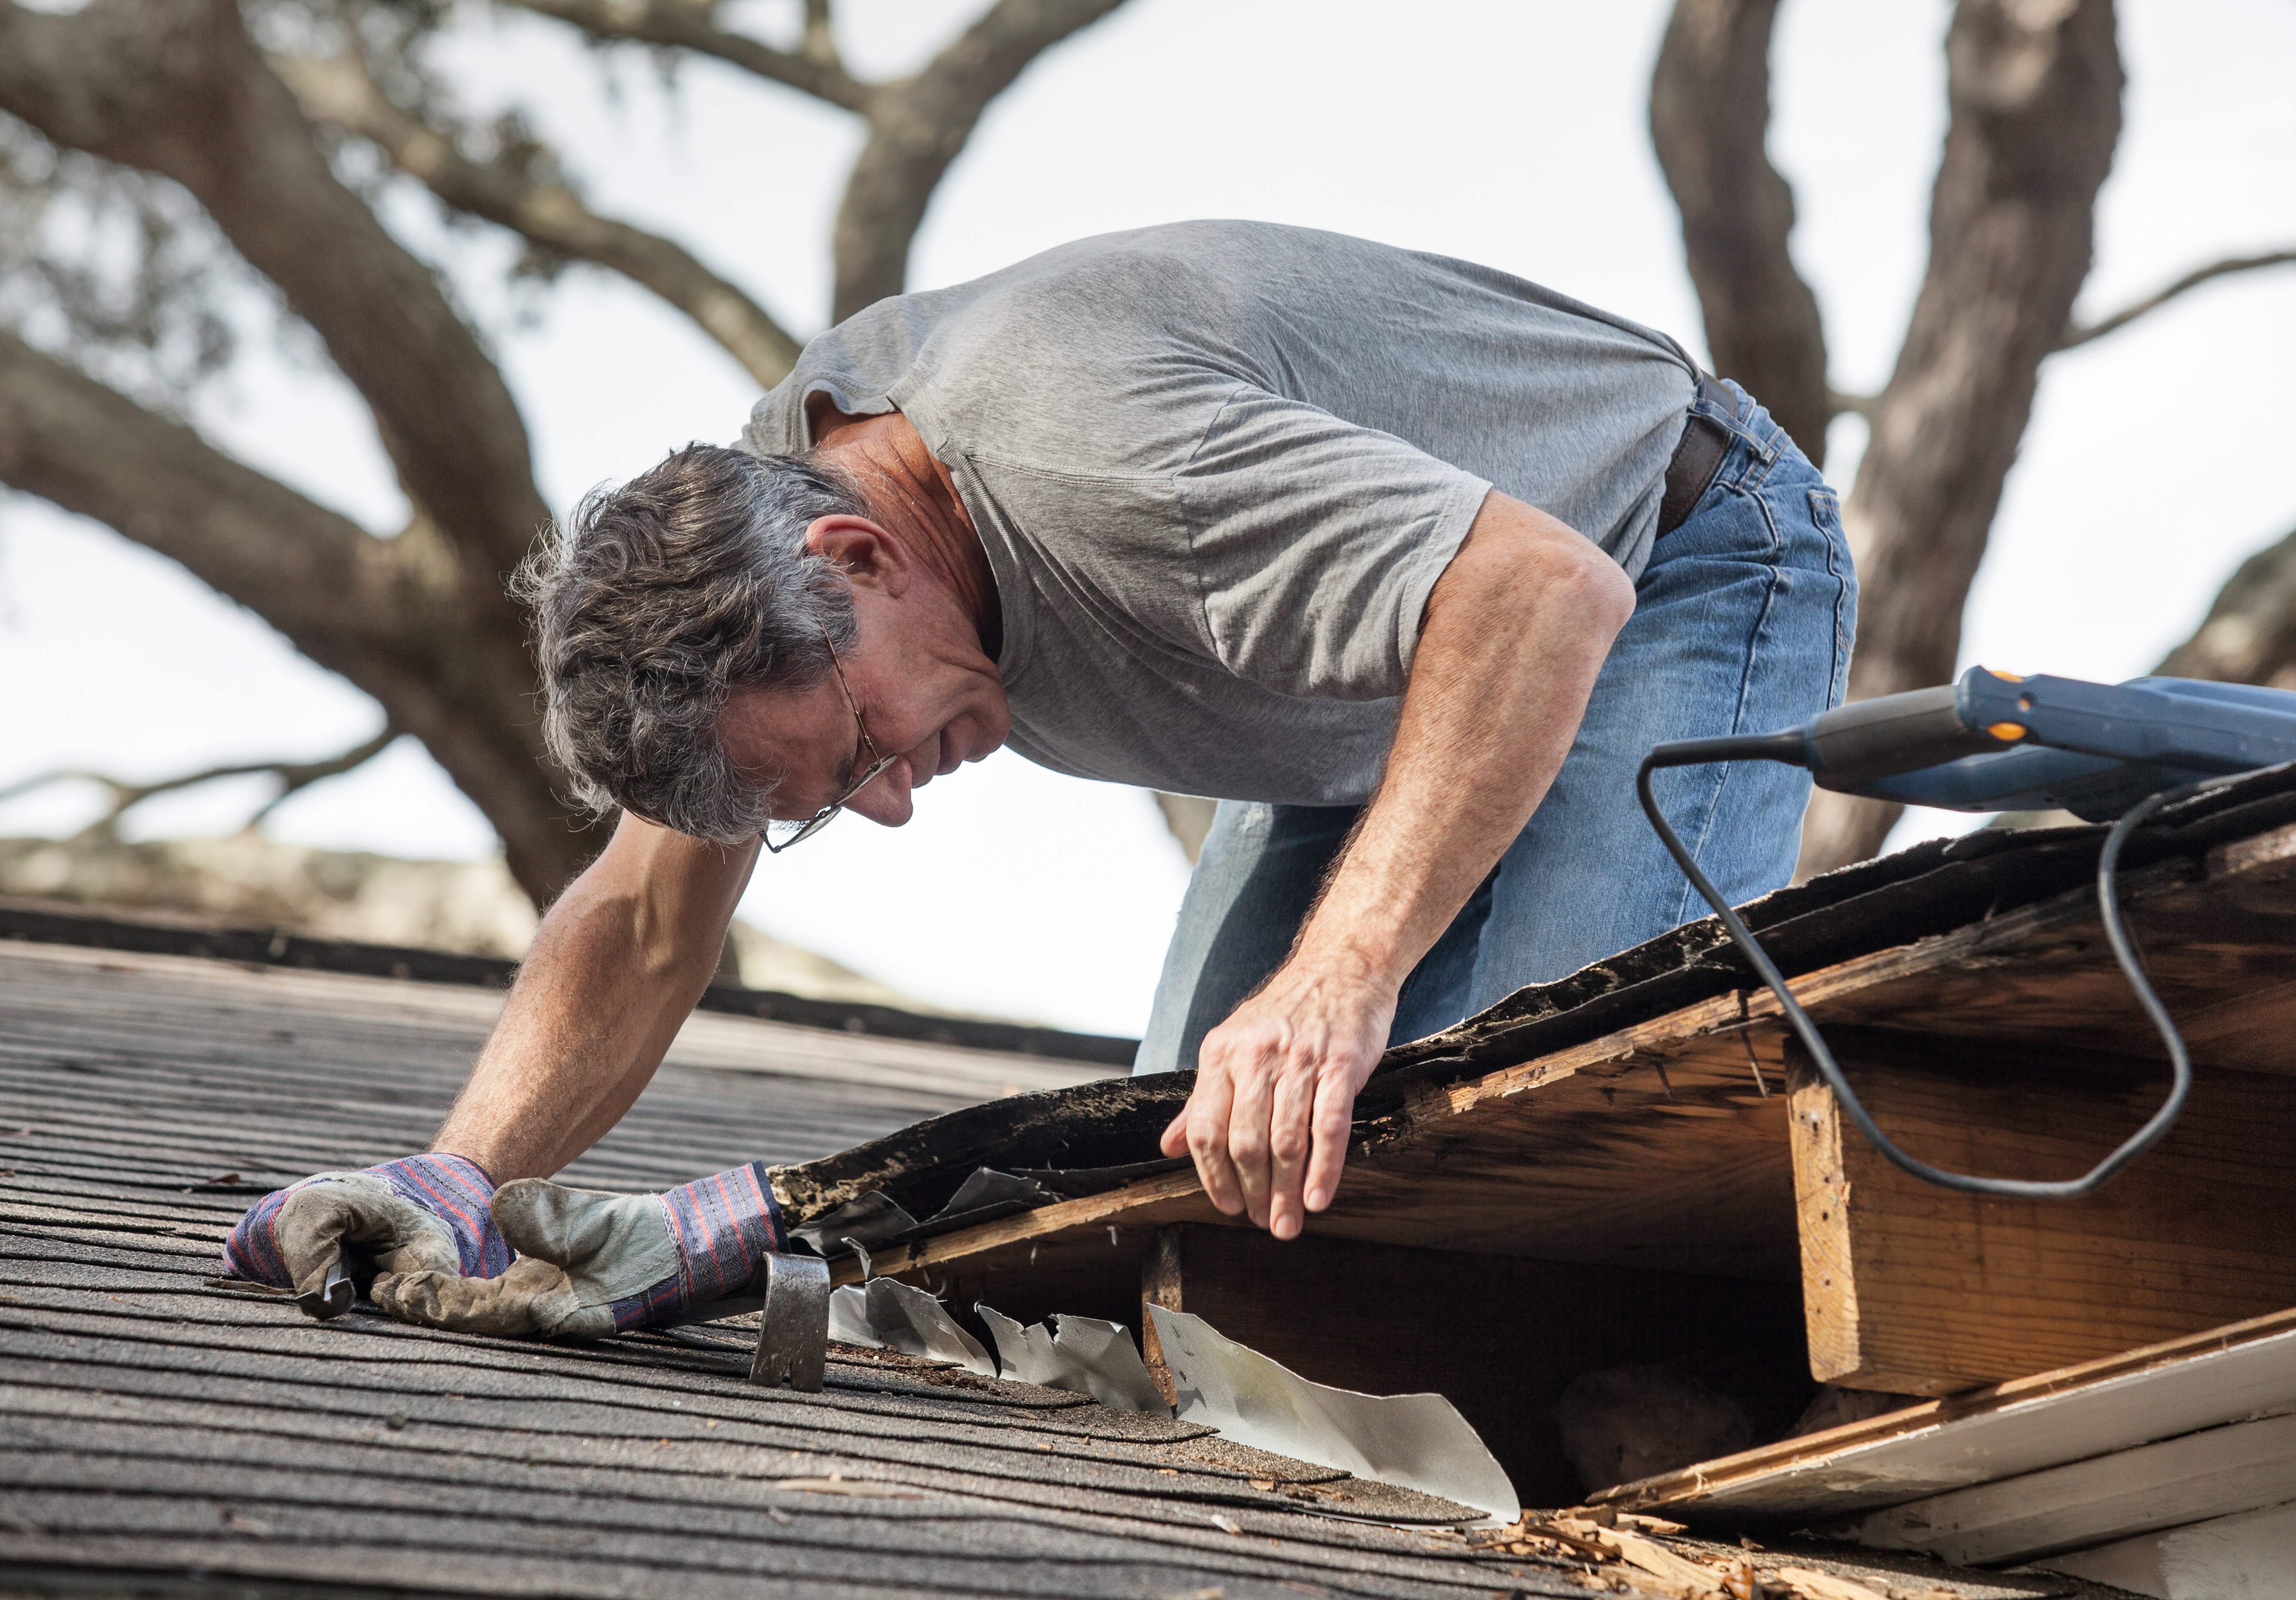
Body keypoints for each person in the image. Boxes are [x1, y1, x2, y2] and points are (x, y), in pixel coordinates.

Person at [224, 222, 1855, 1335]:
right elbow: (649, 923)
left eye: (860, 750)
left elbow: (1535, 595)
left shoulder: (1093, 455)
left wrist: (1340, 978)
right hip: (1368, 694)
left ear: (859, 555)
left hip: (1669, 559)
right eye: (828, 803)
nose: (892, 801)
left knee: (1554, 1160)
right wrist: (460, 1181)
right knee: (1200, 1216)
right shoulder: (750, 561)